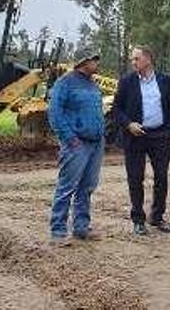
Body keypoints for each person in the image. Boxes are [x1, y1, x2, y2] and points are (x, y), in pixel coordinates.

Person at [112, 45, 170, 235]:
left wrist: (168, 131)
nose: (133, 62)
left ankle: (157, 217)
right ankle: (138, 220)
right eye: (132, 59)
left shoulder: (165, 81)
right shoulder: (126, 82)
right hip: (135, 137)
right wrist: (128, 125)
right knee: (135, 178)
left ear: (148, 59)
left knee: (161, 177)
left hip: (159, 136)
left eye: (137, 59)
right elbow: (116, 109)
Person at [47, 53, 105, 245]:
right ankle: (58, 232)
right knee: (67, 187)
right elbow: (55, 113)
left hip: (95, 143)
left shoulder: (92, 84)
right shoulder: (65, 83)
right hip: (77, 144)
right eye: (94, 60)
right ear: (83, 62)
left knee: (87, 187)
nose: (97, 63)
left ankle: (81, 228)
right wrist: (69, 138)